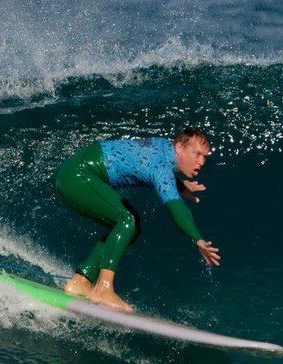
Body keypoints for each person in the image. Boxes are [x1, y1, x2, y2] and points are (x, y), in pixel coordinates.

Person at [54, 127, 220, 312]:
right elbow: (176, 206)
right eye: (197, 154)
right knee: (127, 220)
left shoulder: (164, 147)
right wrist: (197, 238)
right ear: (179, 147)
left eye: (205, 157)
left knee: (130, 228)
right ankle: (103, 288)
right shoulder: (162, 168)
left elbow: (144, 159)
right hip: (78, 176)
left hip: (73, 173)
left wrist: (179, 186)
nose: (201, 161)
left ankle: (81, 280)